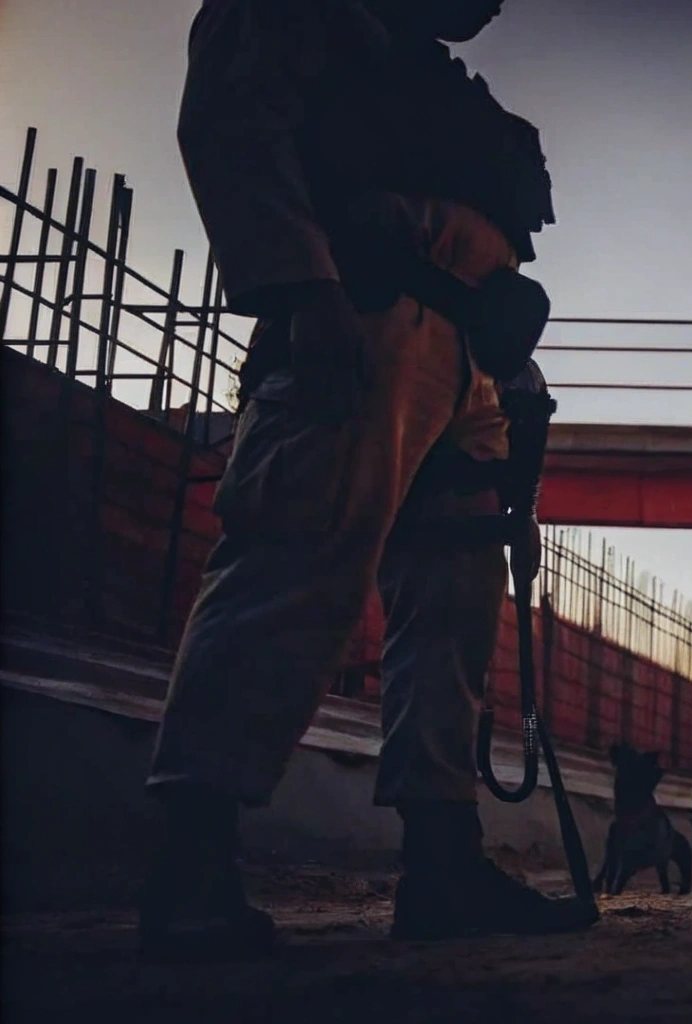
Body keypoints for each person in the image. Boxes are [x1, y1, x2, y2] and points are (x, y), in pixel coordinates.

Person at [138, 0, 592, 962]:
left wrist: (513, 384)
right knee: (296, 563)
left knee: (456, 598)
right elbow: (230, 123)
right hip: (363, 317)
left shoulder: (427, 72)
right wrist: (305, 293)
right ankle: (190, 869)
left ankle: (443, 864)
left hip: (471, 352)